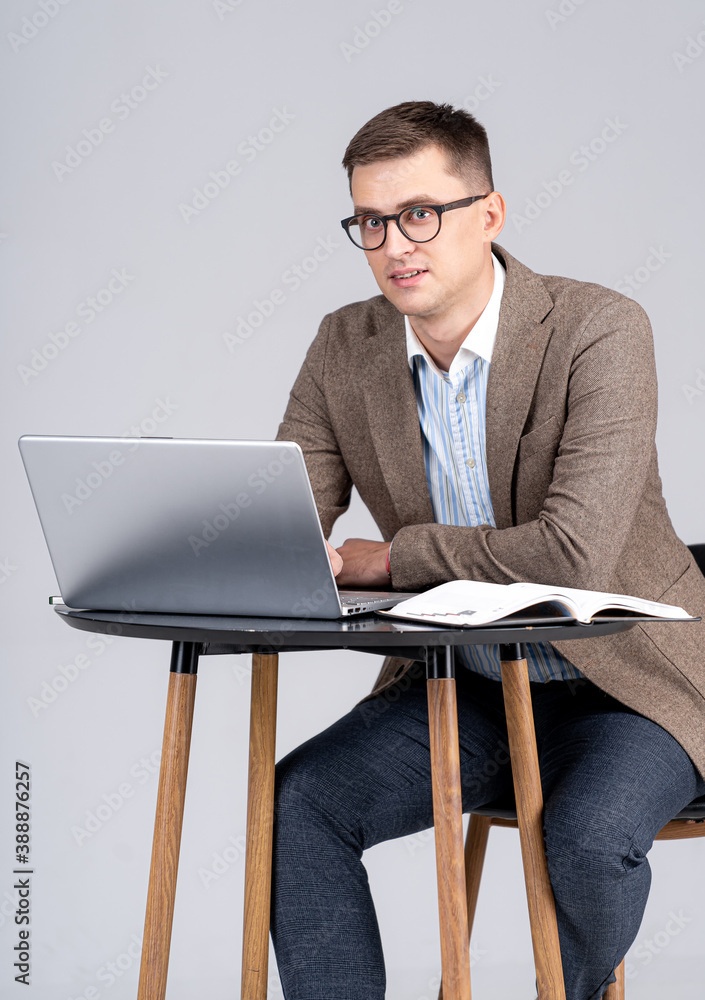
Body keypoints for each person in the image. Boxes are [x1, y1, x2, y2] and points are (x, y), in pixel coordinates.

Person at [270, 101, 705, 1000]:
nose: (396, 244)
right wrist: (204, 546)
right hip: (463, 688)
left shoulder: (598, 329)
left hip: (629, 688)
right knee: (297, 804)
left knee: (582, 839)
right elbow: (286, 522)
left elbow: (573, 552)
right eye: (371, 222)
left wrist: (389, 560)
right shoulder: (343, 346)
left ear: (489, 215)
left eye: (421, 213)